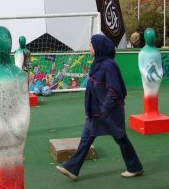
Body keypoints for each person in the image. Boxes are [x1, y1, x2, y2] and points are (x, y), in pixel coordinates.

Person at [56, 34, 144, 181]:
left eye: (91, 45)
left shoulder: (109, 65)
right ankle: (71, 168)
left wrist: (104, 109)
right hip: (96, 113)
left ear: (99, 48)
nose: (89, 47)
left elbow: (114, 90)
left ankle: (135, 167)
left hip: (110, 112)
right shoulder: (97, 63)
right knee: (86, 139)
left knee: (121, 139)